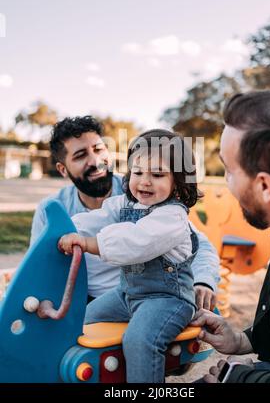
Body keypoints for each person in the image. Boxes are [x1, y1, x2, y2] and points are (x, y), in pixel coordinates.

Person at [58, 129, 212, 383]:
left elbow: (135, 242)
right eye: (138, 172)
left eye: (158, 174)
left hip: (167, 301)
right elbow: (98, 217)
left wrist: (87, 244)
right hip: (126, 294)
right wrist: (67, 230)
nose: (144, 181)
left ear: (179, 181)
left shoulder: (172, 217)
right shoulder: (126, 204)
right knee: (82, 319)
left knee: (140, 340)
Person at [30, 116, 220, 306]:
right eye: (80, 155)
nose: (96, 161)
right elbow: (40, 262)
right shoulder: (52, 209)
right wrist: (45, 298)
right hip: (87, 302)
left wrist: (203, 281)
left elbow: (198, 245)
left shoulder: (145, 192)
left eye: (98, 149)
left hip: (150, 297)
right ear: (63, 169)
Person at [192, 89, 270, 383]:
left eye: (229, 171)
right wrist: (243, 340)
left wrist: (234, 379)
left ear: (265, 186)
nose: (227, 185)